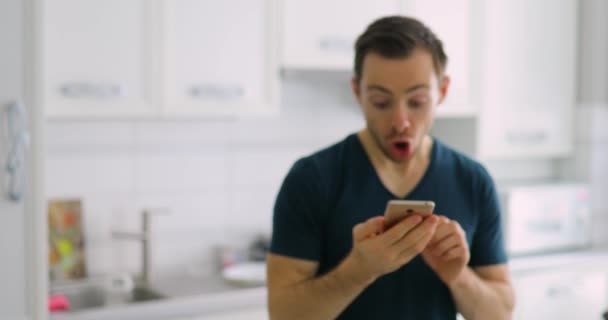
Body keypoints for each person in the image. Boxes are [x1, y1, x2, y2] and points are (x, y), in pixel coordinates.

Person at [267, 15, 514, 320]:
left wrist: (457, 276)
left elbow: (500, 314)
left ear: (443, 91)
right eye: (382, 102)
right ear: (357, 92)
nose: (400, 121)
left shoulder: (473, 181)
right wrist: (358, 271)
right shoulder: (311, 179)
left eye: (418, 101)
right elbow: (283, 315)